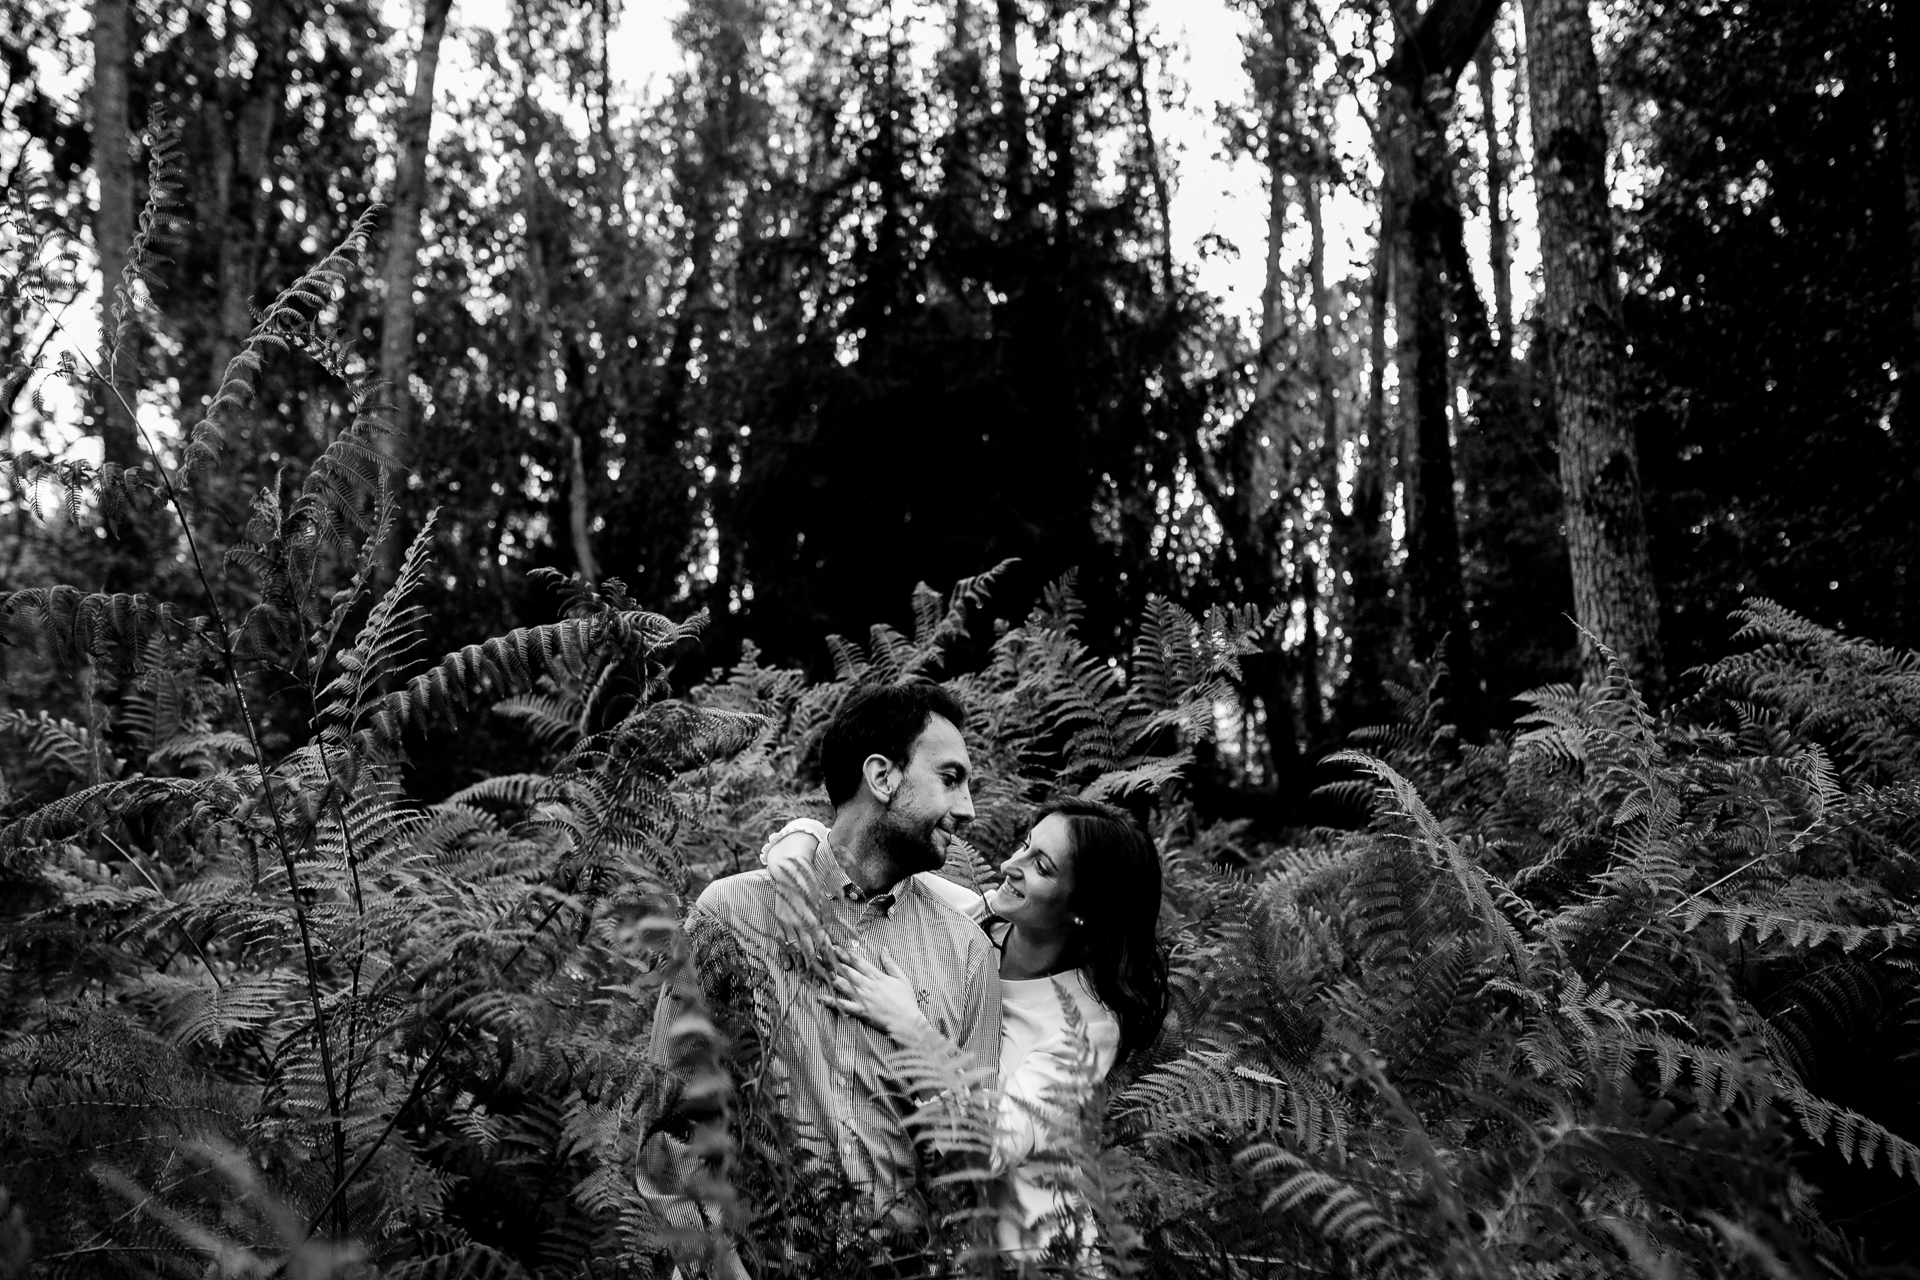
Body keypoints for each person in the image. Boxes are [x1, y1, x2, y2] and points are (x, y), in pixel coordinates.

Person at [649, 682, 1003, 1243]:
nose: (968, 808)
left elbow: (977, 1167)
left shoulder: (966, 953)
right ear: (882, 777)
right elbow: (671, 1113)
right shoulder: (732, 911)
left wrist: (924, 1051)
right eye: (950, 779)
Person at [762, 796, 1168, 1260]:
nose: (1009, 864)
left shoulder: (1089, 1027)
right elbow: (845, 854)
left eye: (1042, 867)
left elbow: (991, 1148)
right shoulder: (972, 922)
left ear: (1085, 910)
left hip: (1030, 1255)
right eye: (1024, 845)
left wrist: (912, 1028)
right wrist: (792, 860)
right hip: (930, 1237)